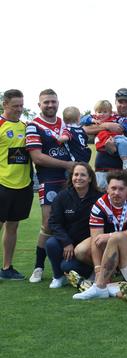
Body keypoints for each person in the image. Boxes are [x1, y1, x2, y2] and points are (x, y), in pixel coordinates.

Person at [25, 88, 75, 283]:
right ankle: (38, 266)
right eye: (46, 102)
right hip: (49, 180)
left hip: (70, 180)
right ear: (39, 105)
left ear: (58, 103)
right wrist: (67, 165)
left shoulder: (65, 124)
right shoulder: (33, 125)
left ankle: (66, 266)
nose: (50, 105)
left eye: (53, 101)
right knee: (48, 223)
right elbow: (37, 157)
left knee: (71, 220)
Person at [45, 162, 102, 288]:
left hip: (88, 246)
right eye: (76, 174)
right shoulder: (62, 196)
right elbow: (54, 222)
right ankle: (58, 276)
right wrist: (66, 242)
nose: (78, 178)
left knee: (67, 266)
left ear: (90, 178)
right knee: (51, 243)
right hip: (68, 242)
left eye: (83, 175)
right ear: (71, 177)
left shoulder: (98, 198)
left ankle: (91, 272)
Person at [0, 89, 33, 280]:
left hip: (23, 186)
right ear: (5, 104)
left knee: (13, 227)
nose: (19, 110)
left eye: (21, 106)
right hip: (2, 184)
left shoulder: (25, 126)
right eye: (15, 106)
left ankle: (7, 268)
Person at [83, 88, 127, 189]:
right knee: (101, 202)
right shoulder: (106, 115)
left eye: (126, 102)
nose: (123, 105)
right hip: (101, 169)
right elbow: (84, 129)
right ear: (115, 102)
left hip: (122, 174)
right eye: (120, 101)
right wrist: (107, 125)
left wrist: (113, 150)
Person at [88, 170, 127, 275]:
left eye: (121, 189)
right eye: (113, 188)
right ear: (107, 189)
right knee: (81, 250)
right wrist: (98, 269)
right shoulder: (99, 205)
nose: (116, 193)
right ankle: (102, 271)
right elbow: (96, 239)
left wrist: (111, 236)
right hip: (108, 243)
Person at [91, 100, 127, 172]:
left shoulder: (115, 118)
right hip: (105, 145)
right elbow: (82, 123)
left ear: (110, 112)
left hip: (117, 139)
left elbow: (126, 123)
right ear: (95, 112)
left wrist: (122, 127)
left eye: (105, 112)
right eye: (99, 112)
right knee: (122, 142)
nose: (101, 114)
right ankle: (125, 162)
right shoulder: (95, 119)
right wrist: (94, 120)